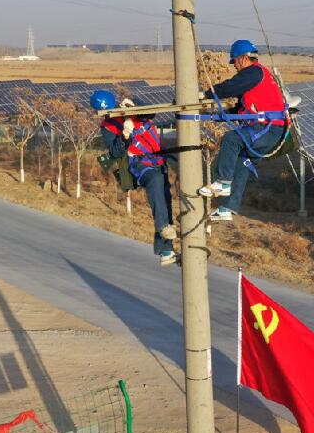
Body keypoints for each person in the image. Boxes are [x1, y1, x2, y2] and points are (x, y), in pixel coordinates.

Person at [198, 40, 288, 221]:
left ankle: (223, 183)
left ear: (243, 58)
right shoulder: (257, 77)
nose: (235, 66)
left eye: (235, 62)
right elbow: (242, 108)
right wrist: (222, 115)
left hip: (267, 128)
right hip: (271, 130)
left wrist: (207, 93)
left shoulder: (253, 72)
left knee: (231, 139)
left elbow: (231, 86)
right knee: (242, 162)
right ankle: (227, 208)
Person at [90, 89, 178, 266]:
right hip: (139, 164)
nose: (110, 113)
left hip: (158, 161)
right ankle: (162, 227)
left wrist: (135, 108)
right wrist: (125, 135)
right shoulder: (108, 127)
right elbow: (115, 151)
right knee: (155, 182)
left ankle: (166, 250)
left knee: (164, 200)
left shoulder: (131, 106)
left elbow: (151, 113)